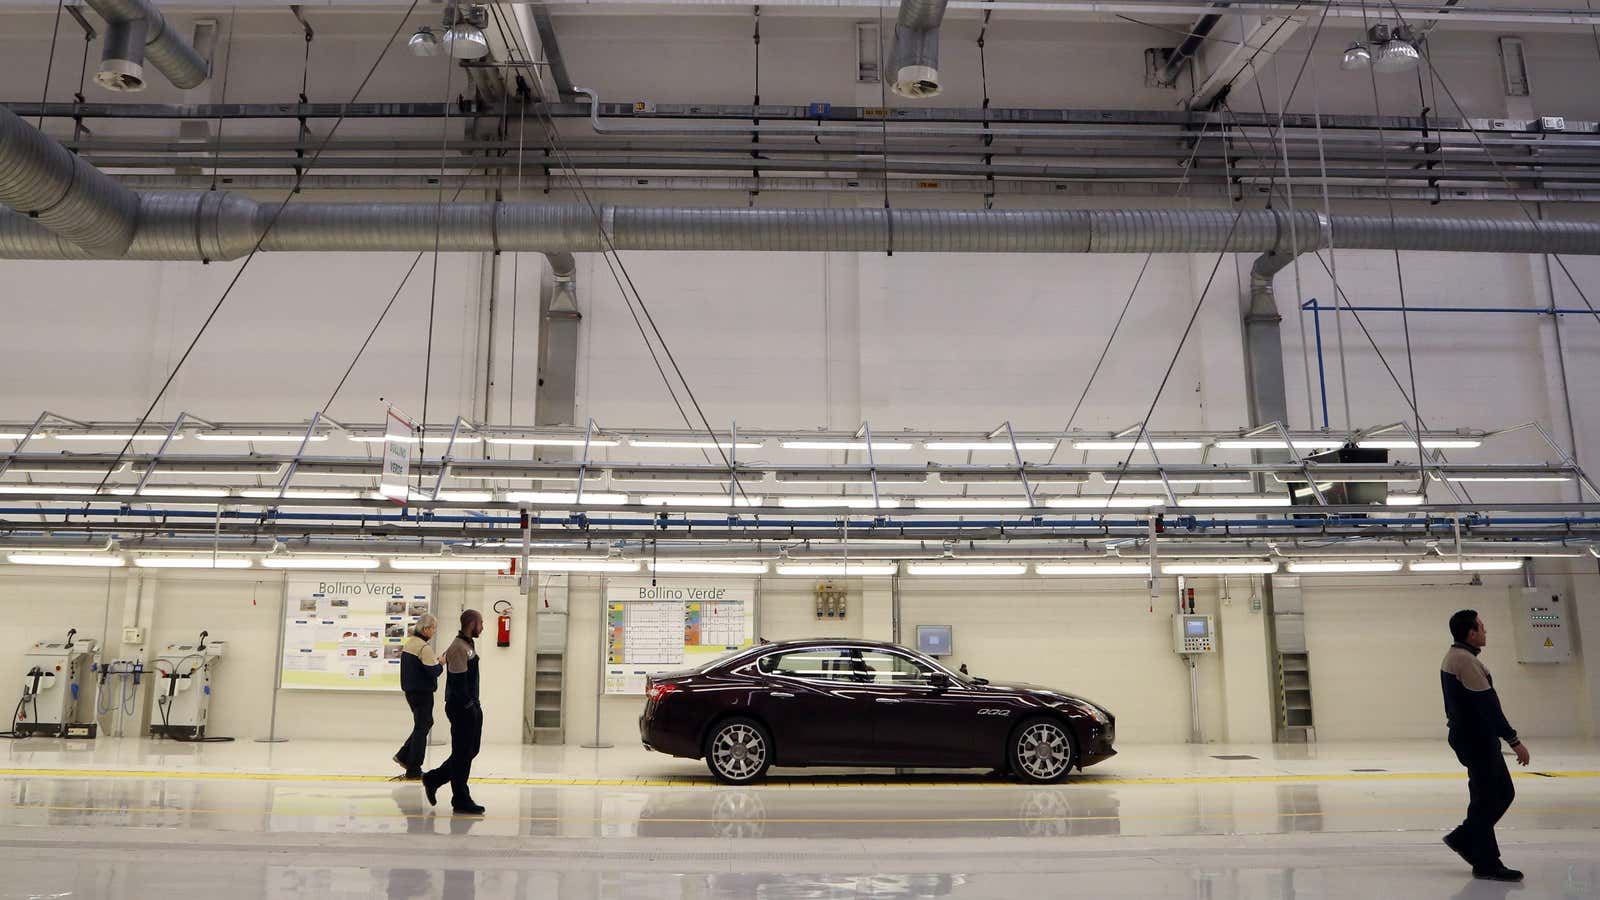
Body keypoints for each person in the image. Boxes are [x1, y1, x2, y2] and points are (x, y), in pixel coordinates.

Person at [1440, 609, 1530, 882]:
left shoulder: (1460, 657)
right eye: (1481, 626)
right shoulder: (1464, 661)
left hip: (1473, 737)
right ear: (1471, 633)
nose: (1485, 631)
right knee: (1497, 794)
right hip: (1475, 739)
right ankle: (1471, 845)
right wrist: (1514, 741)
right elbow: (1488, 706)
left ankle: (1480, 855)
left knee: (1487, 798)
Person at [423, 609, 486, 815]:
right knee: (462, 753)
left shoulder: (467, 645)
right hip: (461, 707)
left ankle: (433, 779)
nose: (482, 627)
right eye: (481, 623)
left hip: (470, 705)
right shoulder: (458, 647)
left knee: (469, 751)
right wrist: (469, 706)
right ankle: (460, 798)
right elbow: (459, 684)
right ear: (472, 624)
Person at [393, 614, 442, 781]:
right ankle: (413, 768)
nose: (435, 631)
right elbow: (434, 671)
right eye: (434, 628)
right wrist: (441, 662)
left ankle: (403, 755)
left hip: (411, 692)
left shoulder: (409, 644)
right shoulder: (423, 647)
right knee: (423, 727)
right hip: (423, 693)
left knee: (423, 724)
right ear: (426, 629)